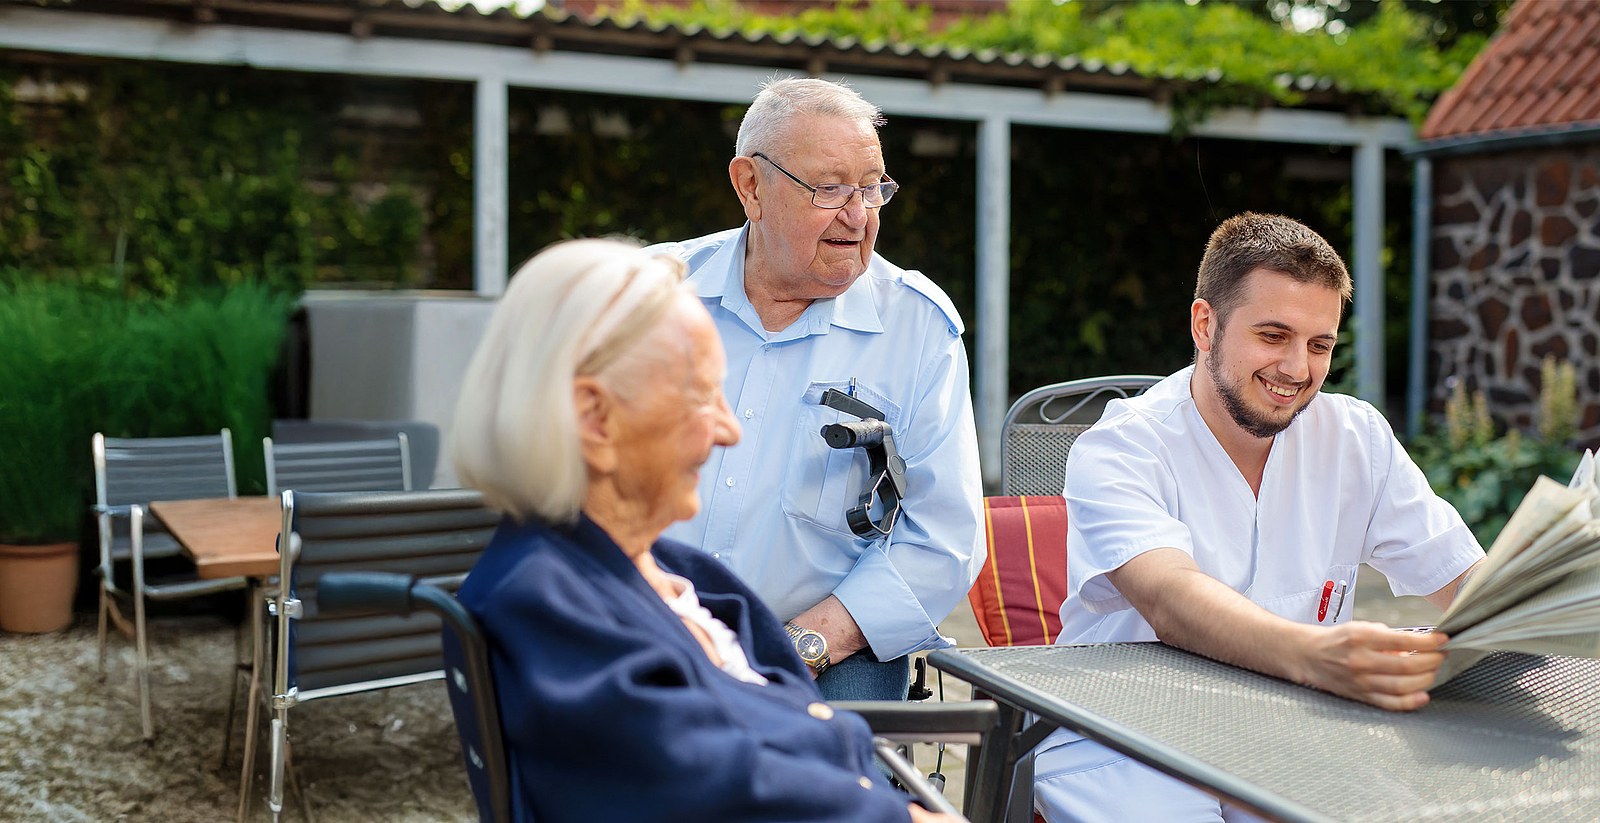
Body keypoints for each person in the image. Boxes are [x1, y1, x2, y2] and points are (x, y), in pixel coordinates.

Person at [450, 239, 960, 823]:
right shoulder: (545, 603)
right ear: (595, 418)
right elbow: (710, 789)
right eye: (700, 395)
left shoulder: (676, 575)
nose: (728, 430)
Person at [1032, 213, 1487, 823]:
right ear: (1205, 325)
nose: (1298, 369)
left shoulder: (1356, 438)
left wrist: (1541, 603)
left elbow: (1465, 578)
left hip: (1292, 730)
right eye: (1274, 336)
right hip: (1125, 735)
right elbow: (1171, 599)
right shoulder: (1121, 448)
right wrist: (1317, 656)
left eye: (1320, 345)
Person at [649, 77, 985, 701]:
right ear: (750, 186)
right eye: (829, 189)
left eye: (872, 188)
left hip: (824, 651)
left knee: (833, 760)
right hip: (643, 624)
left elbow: (945, 538)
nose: (858, 217)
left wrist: (803, 645)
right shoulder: (649, 295)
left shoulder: (916, 329)